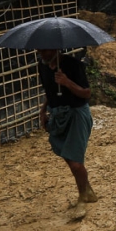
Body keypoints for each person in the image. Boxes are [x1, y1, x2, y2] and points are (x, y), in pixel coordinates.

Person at [37, 48, 95, 218]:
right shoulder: (43, 65)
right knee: (69, 157)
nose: (42, 55)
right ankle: (88, 190)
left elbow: (87, 93)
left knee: (76, 163)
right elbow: (49, 91)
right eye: (40, 51)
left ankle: (83, 199)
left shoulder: (74, 65)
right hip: (57, 115)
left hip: (76, 114)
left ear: (55, 49)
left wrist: (67, 82)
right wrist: (43, 111)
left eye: (45, 51)